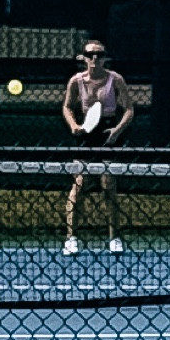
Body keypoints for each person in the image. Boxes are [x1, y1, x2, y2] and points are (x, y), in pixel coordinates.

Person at [61, 39, 135, 254]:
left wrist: (116, 131)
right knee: (79, 185)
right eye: (90, 54)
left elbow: (129, 109)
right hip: (86, 134)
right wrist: (74, 126)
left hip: (108, 133)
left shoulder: (115, 79)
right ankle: (71, 239)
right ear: (83, 58)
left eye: (99, 54)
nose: (95, 58)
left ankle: (114, 238)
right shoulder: (76, 81)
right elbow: (67, 107)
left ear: (105, 58)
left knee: (108, 185)